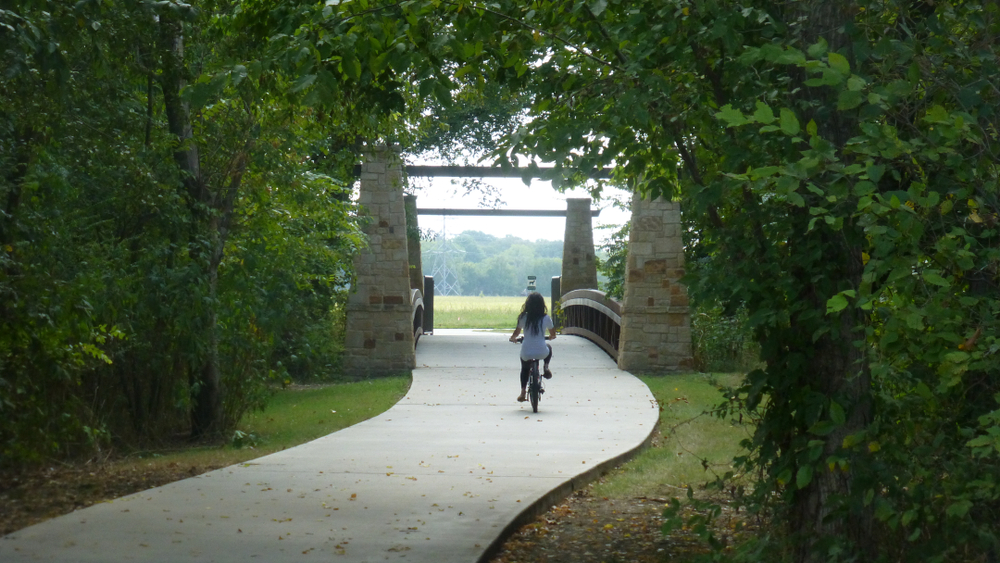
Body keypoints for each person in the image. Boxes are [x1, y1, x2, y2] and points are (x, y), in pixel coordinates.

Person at [509, 292, 556, 402]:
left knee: (524, 368)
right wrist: (550, 337)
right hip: (542, 352)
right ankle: (546, 367)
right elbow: (553, 334)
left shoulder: (523, 317)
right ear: (542, 304)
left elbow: (516, 333)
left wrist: (513, 338)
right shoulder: (546, 318)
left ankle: (522, 392)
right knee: (548, 347)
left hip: (527, 352)